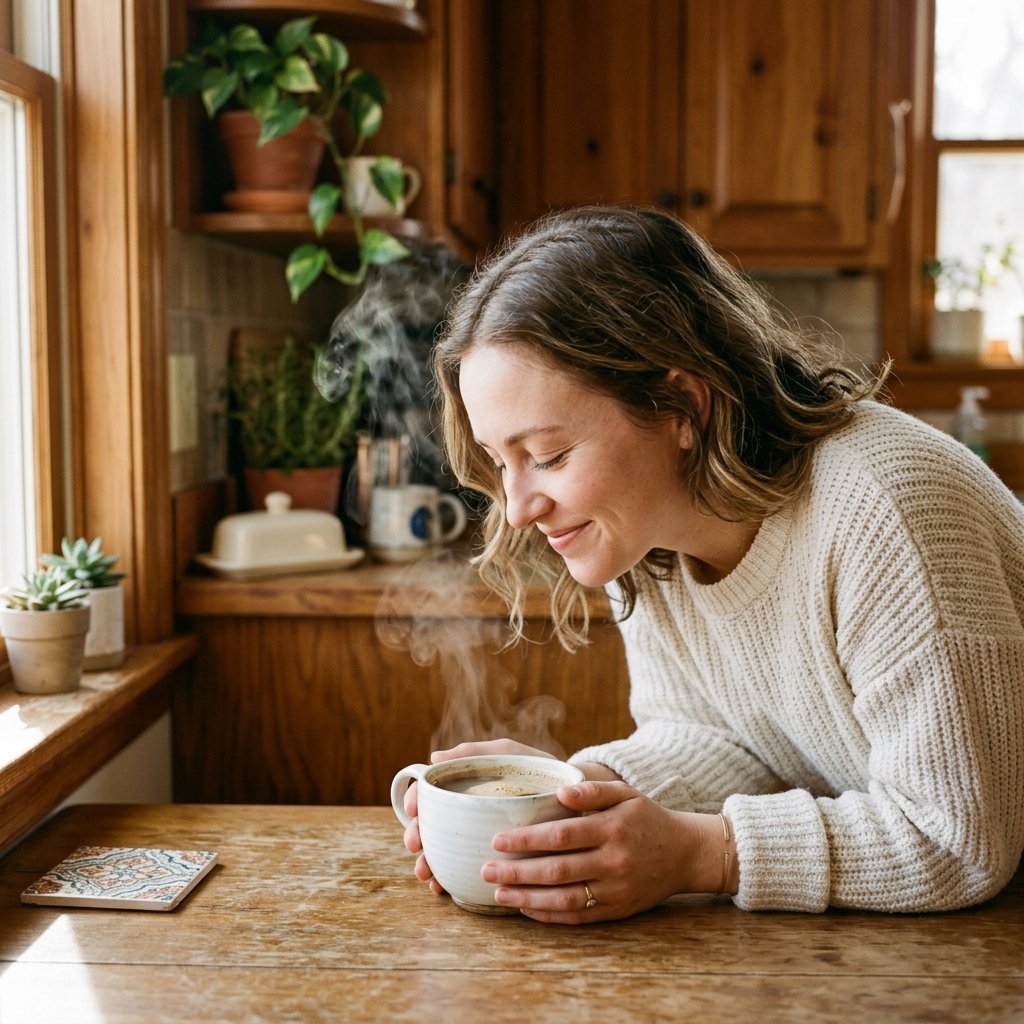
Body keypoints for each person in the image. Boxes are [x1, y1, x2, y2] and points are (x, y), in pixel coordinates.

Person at [400, 204, 1024, 924]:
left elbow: (959, 839)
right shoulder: (648, 535)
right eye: (500, 463)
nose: (516, 510)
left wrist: (706, 855)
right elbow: (723, 741)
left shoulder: (885, 508)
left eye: (547, 457)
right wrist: (574, 797)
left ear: (681, 405)